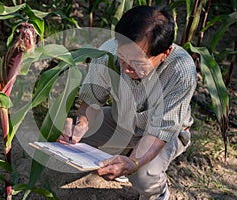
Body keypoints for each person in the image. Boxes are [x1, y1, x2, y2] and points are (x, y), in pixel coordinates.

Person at [58, 5, 196, 200]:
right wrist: (81, 124)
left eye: (137, 64)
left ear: (164, 54)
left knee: (143, 175)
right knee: (70, 142)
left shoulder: (181, 71)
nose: (127, 69)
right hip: (121, 119)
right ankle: (123, 155)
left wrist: (134, 163)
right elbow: (93, 99)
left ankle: (157, 192)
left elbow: (159, 132)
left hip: (163, 133)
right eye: (123, 59)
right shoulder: (108, 52)